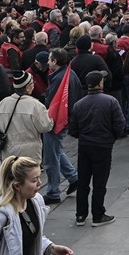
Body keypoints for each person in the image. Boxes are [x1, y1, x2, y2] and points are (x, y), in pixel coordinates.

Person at [67, 70, 123, 227]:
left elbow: (73, 129)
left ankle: (80, 215)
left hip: (85, 145)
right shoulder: (111, 101)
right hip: (103, 146)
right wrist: (111, 137)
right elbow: (119, 124)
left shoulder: (79, 104)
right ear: (100, 83)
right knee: (100, 182)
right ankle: (98, 215)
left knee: (83, 181)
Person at [41, 49, 79, 204]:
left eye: (49, 60)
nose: (48, 62)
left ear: (55, 61)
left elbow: (53, 102)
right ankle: (73, 177)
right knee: (56, 151)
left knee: (51, 158)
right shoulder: (70, 74)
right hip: (65, 119)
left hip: (55, 121)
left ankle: (53, 192)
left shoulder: (59, 78)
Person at [0, 70, 52, 167]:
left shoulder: (3, 104)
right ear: (27, 88)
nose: (33, 86)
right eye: (32, 83)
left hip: (8, 154)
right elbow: (45, 127)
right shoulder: (36, 105)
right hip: (30, 155)